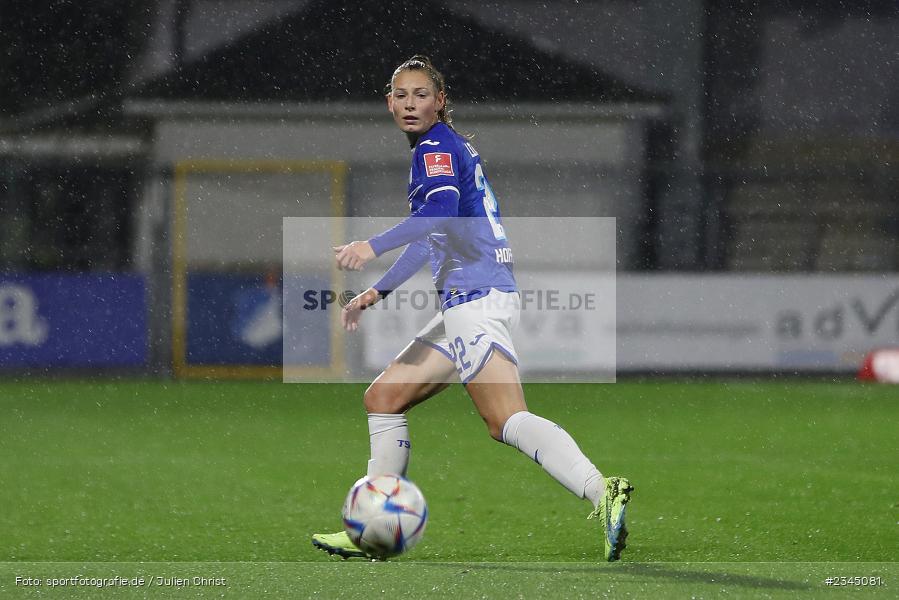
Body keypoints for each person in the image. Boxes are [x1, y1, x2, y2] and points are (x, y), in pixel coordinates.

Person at [311, 55, 632, 561]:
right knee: (384, 398)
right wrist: (379, 291)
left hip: (476, 298)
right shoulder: (443, 148)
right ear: (389, 102)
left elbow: (437, 213)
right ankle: (370, 531)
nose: (411, 103)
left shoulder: (435, 148)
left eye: (422, 94)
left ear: (440, 102)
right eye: (402, 95)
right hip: (471, 297)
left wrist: (371, 246)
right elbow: (434, 232)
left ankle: (601, 489)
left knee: (505, 419)